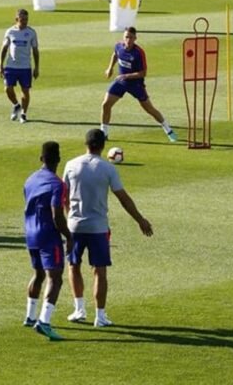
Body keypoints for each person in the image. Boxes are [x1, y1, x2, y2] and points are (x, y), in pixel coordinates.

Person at [63, 129, 153, 327]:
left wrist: (69, 216)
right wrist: (140, 220)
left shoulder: (71, 165)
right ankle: (100, 316)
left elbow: (64, 196)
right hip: (98, 228)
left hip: (74, 226)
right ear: (103, 146)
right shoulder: (107, 168)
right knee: (100, 270)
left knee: (73, 266)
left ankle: (79, 309)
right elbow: (123, 198)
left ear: (86, 144)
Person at [23, 141, 73, 341]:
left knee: (39, 274)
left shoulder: (30, 180)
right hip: (48, 235)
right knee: (56, 278)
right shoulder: (57, 184)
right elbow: (56, 215)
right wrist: (68, 236)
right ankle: (44, 321)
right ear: (58, 159)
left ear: (41, 158)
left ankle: (30, 316)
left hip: (30, 233)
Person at [101, 27, 177, 142]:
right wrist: (110, 68)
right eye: (126, 37)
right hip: (121, 82)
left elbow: (143, 73)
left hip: (135, 84)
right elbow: (115, 54)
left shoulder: (138, 53)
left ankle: (168, 130)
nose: (128, 40)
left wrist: (126, 76)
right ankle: (104, 133)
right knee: (106, 104)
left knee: (149, 109)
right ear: (123, 37)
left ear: (135, 38)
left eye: (131, 37)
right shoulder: (118, 46)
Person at [0, 8, 39, 124]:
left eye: (26, 19)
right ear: (16, 19)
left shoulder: (31, 32)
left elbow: (35, 50)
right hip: (11, 66)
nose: (25, 22)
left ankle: (23, 114)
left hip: (25, 67)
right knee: (8, 89)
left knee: (25, 91)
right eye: (22, 20)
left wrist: (36, 67)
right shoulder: (10, 32)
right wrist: (0, 65)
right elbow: (4, 48)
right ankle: (16, 105)